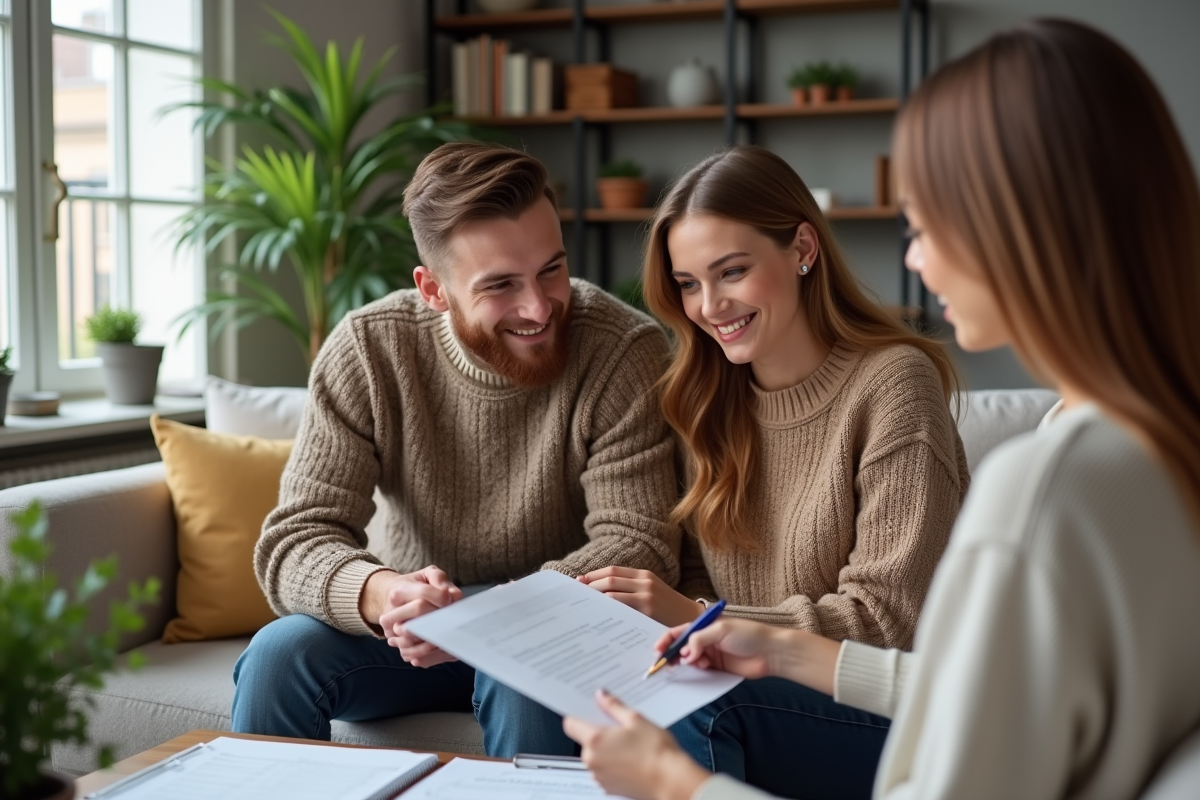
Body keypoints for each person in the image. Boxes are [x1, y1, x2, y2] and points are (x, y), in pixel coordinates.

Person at [563, 18, 1200, 800]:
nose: (913, 258)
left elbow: (943, 714)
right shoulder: (1147, 444)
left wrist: (675, 786)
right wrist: (775, 645)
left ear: (1018, 228)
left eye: (926, 226)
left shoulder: (1044, 488)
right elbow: (974, 696)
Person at [231, 142, 682, 758]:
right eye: (500, 285)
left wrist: (493, 619)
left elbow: (640, 542)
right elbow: (294, 541)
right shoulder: (368, 351)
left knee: (521, 673)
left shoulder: (622, 350)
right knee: (278, 654)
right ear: (433, 289)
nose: (539, 306)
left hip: (556, 628)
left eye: (552, 268)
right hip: (410, 634)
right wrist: (385, 594)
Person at [574, 144, 970, 798]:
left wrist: (696, 616)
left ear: (803, 249)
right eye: (688, 284)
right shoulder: (705, 396)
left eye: (731, 272)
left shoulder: (895, 385)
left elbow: (887, 621)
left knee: (702, 709)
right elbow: (699, 569)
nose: (709, 306)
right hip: (756, 690)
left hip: (890, 711)